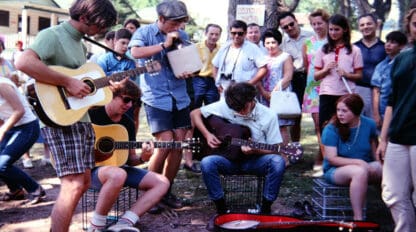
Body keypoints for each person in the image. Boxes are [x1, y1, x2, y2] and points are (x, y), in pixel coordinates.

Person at [15, 0, 117, 231]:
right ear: (84, 17)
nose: (102, 31)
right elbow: (23, 61)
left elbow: (80, 85)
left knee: (83, 183)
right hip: (59, 120)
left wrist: (105, 89)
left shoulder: (80, 44)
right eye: (100, 24)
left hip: (80, 119)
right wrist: (67, 81)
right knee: (72, 185)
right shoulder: (52, 35)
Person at [128, 0, 193, 209]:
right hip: (156, 97)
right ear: (162, 19)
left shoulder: (183, 36)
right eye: (174, 23)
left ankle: (165, 190)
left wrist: (189, 70)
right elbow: (135, 52)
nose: (177, 28)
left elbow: (189, 62)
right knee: (165, 141)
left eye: (180, 23)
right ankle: (150, 192)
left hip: (179, 96)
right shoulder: (145, 32)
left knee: (178, 144)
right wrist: (163, 45)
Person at [191, 83, 285, 225]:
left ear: (251, 100)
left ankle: (265, 208)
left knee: (277, 161)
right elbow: (194, 113)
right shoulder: (226, 105)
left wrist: (256, 150)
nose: (240, 112)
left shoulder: (268, 115)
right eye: (236, 109)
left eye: (243, 108)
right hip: (227, 160)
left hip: (254, 161)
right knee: (207, 162)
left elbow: (276, 147)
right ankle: (222, 209)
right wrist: (208, 134)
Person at [88, 80, 169, 232]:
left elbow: (130, 160)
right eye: (126, 99)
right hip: (92, 171)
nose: (130, 105)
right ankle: (95, 227)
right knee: (118, 174)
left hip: (119, 170)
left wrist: (143, 157)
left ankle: (125, 222)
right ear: (112, 95)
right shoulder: (91, 115)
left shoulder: (128, 123)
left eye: (134, 101)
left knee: (162, 182)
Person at [376, 8, 416, 232]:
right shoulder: (401, 59)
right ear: (409, 27)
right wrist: (383, 140)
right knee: (392, 194)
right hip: (398, 137)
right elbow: (392, 101)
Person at [322, 94, 382, 220]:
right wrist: (359, 162)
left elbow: (374, 149)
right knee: (359, 172)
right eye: (338, 110)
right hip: (336, 169)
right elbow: (332, 158)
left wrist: (379, 164)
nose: (340, 114)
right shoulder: (331, 128)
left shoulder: (369, 124)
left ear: (356, 111)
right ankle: (358, 218)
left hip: (365, 166)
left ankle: (392, 210)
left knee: (382, 168)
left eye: (344, 111)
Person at [183, 23, 222, 173]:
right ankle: (188, 160)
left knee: (213, 119)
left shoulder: (221, 48)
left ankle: (211, 156)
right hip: (197, 81)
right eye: (211, 33)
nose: (213, 37)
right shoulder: (195, 47)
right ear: (206, 33)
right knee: (191, 122)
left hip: (213, 83)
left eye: (216, 34)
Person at [0, 76, 45, 205]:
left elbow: (19, 110)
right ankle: (15, 190)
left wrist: (2, 131)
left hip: (27, 127)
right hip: (11, 128)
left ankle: (36, 189)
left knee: (2, 164)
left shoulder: (2, 84)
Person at [314, 14, 363, 132]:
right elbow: (316, 76)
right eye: (331, 29)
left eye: (337, 29)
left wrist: (346, 74)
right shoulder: (322, 49)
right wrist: (325, 70)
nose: (333, 32)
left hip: (345, 95)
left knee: (345, 128)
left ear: (345, 29)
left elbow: (359, 76)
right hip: (327, 93)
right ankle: (326, 151)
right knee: (325, 127)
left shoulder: (354, 50)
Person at [278, 12, 314, 143]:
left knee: (318, 114)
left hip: (313, 78)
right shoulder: (282, 43)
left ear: (296, 21)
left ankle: (326, 150)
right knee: (295, 115)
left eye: (291, 24)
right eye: (285, 27)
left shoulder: (311, 36)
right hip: (295, 79)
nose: (289, 28)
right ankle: (295, 147)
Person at [301, 9, 330, 174]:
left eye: (320, 23)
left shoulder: (332, 42)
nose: (317, 26)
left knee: (330, 124)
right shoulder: (308, 43)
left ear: (326, 23)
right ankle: (324, 158)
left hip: (330, 87)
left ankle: (325, 156)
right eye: (313, 24)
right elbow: (307, 67)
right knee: (318, 125)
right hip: (313, 89)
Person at [258, 29, 294, 146]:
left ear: (278, 42)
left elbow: (288, 77)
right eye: (267, 43)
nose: (270, 46)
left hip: (279, 95)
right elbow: (257, 77)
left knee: (281, 126)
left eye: (273, 42)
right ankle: (270, 154)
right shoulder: (261, 57)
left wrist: (273, 93)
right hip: (264, 96)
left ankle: (284, 156)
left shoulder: (285, 57)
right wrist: (264, 93)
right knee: (265, 126)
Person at [212, 20, 267, 94]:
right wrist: (217, 83)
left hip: (245, 91)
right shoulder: (224, 48)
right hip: (226, 90)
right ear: (230, 33)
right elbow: (215, 66)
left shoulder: (253, 48)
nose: (236, 36)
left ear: (245, 34)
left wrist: (249, 84)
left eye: (240, 33)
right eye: (234, 33)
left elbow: (263, 68)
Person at [371, 31, 407, 130]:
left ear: (402, 46)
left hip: (401, 111)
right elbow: (376, 91)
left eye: (393, 42)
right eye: (387, 41)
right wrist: (376, 114)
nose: (388, 45)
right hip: (383, 110)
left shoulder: (407, 64)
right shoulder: (381, 66)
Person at [354, 13, 386, 118]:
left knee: (376, 125)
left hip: (378, 92)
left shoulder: (384, 47)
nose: (365, 27)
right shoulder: (354, 48)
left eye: (369, 24)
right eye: (362, 25)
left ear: (376, 25)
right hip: (358, 90)